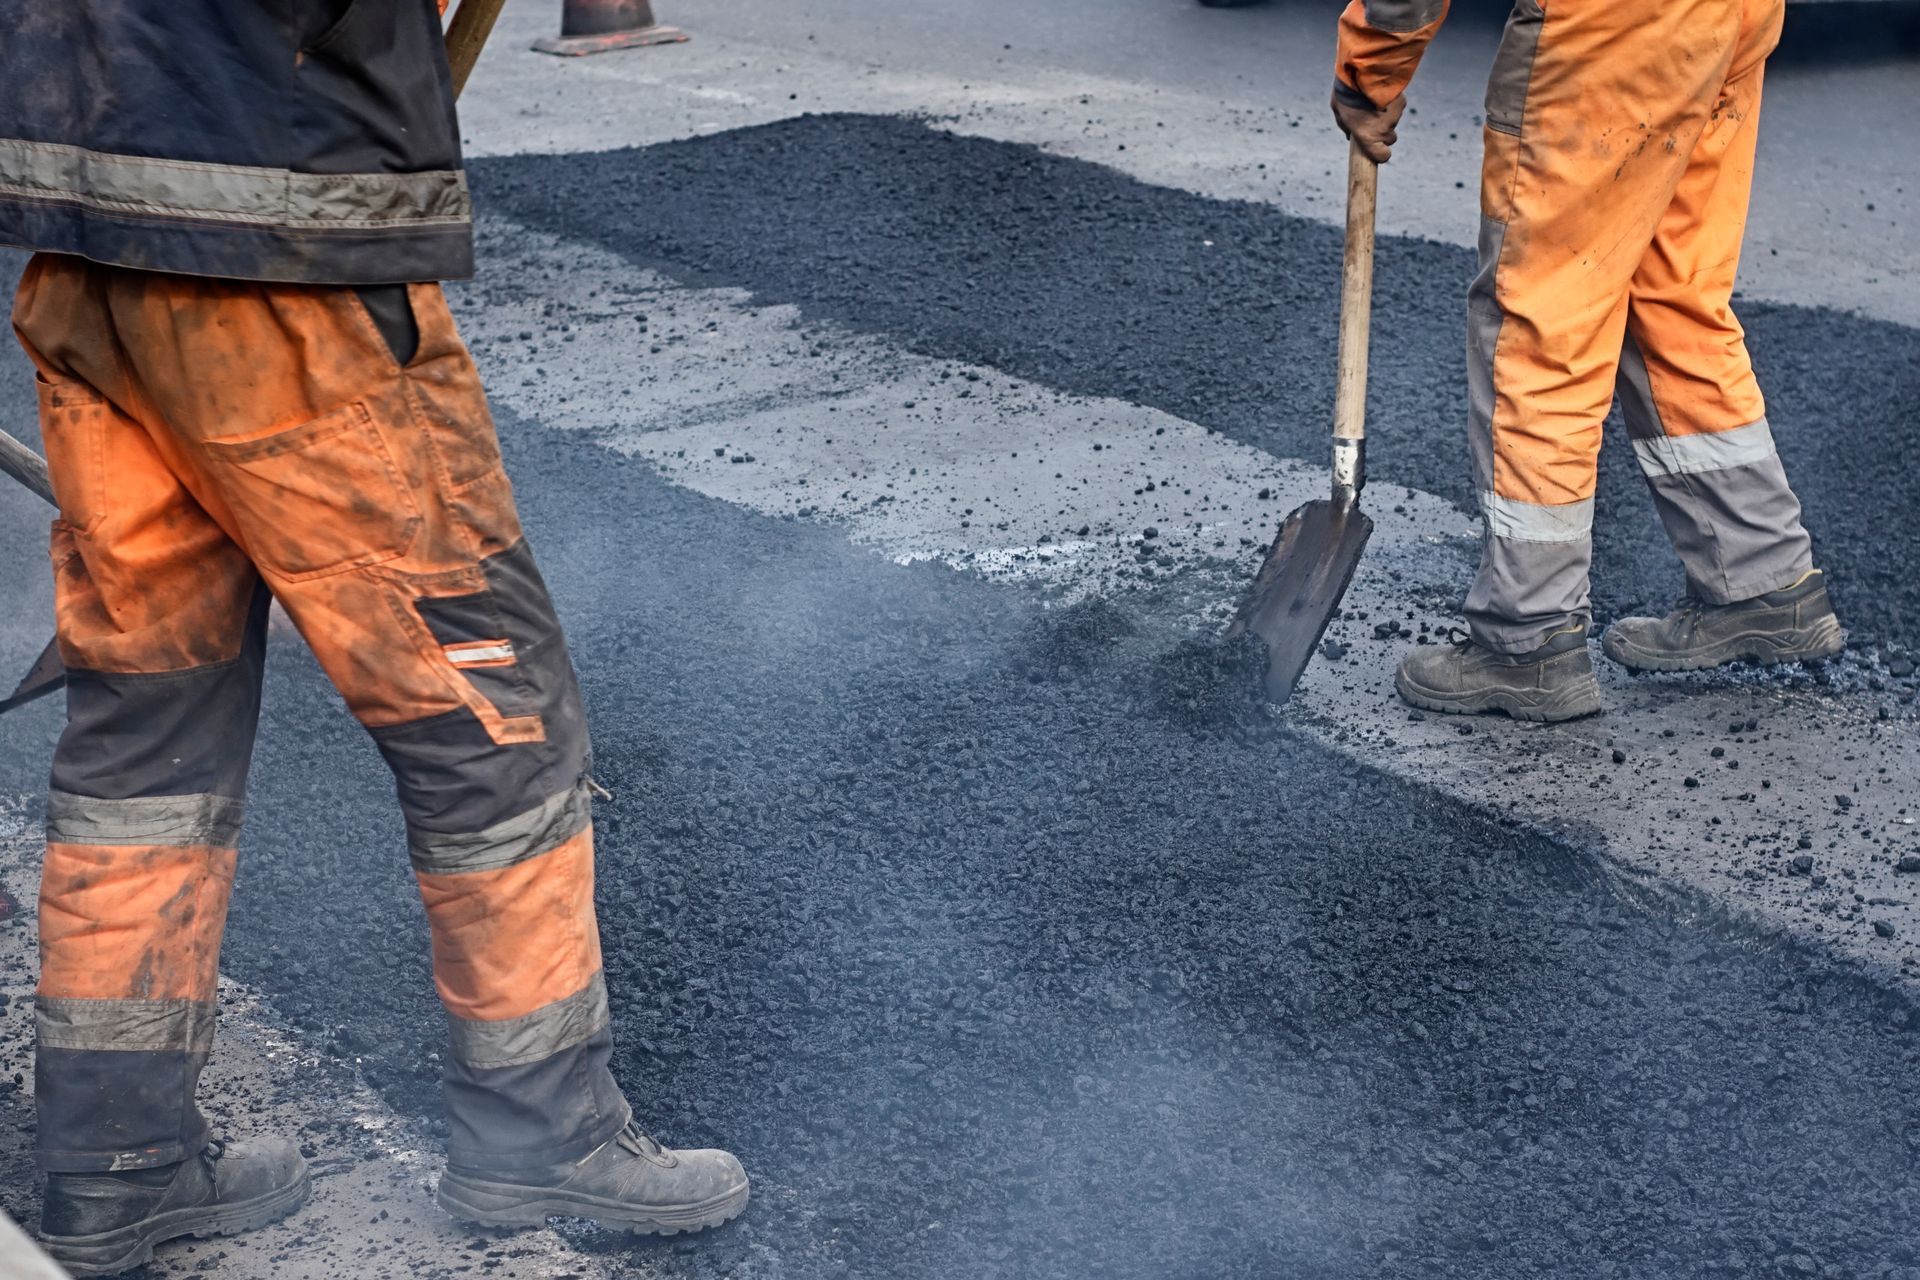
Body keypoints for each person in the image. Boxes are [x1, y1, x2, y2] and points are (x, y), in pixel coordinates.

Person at [0, 3, 746, 1273]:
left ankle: (112, 1161)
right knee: (492, 711)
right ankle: (542, 1132)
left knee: (147, 733)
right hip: (279, 255)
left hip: (87, 244)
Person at [1330, 0, 1844, 722]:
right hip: (1731, 13)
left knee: (1542, 313)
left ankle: (1526, 639)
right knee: (1668, 293)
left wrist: (1371, 69)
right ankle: (1761, 583)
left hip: (1609, 27)